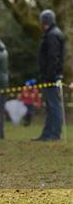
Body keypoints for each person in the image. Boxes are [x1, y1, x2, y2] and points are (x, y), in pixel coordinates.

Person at [33, 9, 65, 141]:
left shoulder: (52, 35)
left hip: (51, 77)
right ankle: (47, 134)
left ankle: (54, 134)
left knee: (54, 106)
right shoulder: (51, 34)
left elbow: (53, 57)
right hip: (49, 76)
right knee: (50, 106)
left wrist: (50, 76)